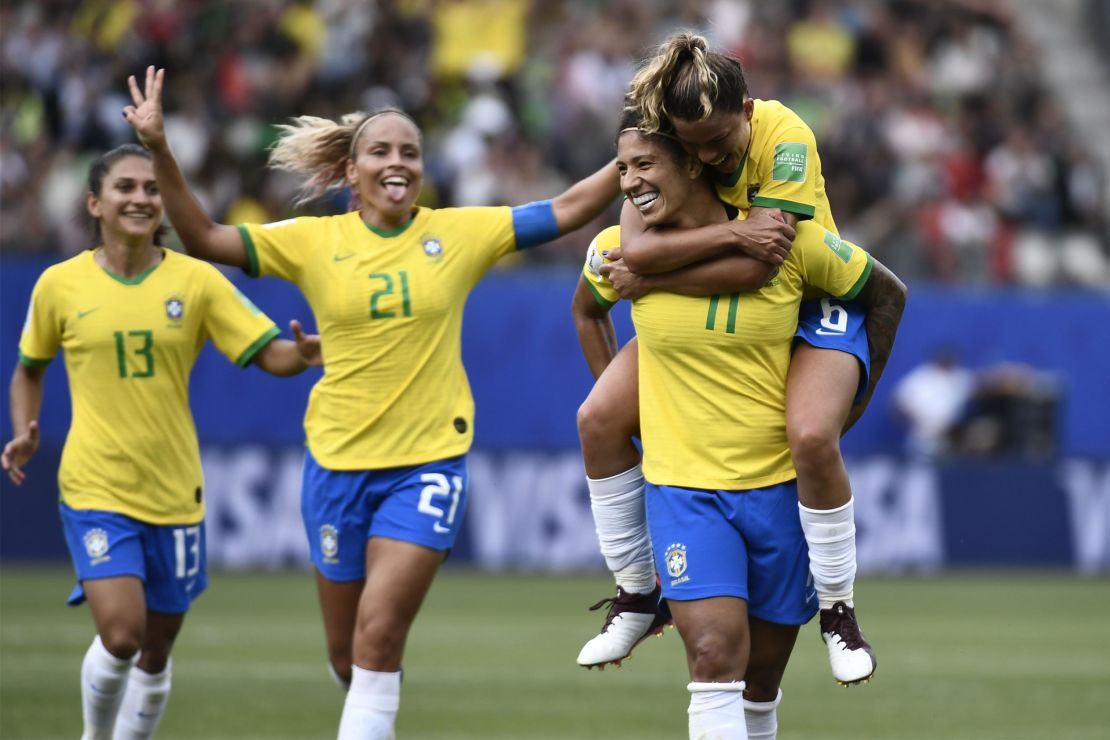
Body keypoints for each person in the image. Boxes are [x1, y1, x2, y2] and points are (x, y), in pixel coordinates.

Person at [122, 66, 620, 739]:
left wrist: (633, 160)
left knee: (379, 634)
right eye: (381, 151)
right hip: (335, 465)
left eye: (409, 152)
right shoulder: (313, 242)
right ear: (350, 172)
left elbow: (564, 210)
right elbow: (204, 238)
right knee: (348, 656)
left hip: (429, 464)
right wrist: (158, 148)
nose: (397, 162)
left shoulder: (458, 234)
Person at [576, 33, 904, 687]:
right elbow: (631, 256)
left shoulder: (784, 135)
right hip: (713, 296)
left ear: (748, 111)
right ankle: (639, 592)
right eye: (689, 146)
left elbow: (763, 265)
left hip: (806, 297)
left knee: (811, 435)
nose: (705, 158)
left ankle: (838, 609)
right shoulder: (656, 155)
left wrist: (858, 396)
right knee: (598, 419)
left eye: (719, 143)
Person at [1, 144, 320, 740]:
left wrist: (300, 356)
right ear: (95, 203)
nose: (141, 198)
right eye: (125, 188)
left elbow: (265, 353)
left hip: (175, 491)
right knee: (121, 634)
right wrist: (24, 430)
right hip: (95, 483)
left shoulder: (196, 281)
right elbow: (29, 368)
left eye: (151, 189)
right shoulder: (59, 285)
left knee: (155, 648)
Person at [893, 347, 976, 459]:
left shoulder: (960, 377)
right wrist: (914, 421)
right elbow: (898, 403)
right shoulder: (920, 377)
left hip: (950, 437)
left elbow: (983, 386)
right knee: (921, 467)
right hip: (921, 436)